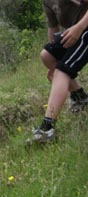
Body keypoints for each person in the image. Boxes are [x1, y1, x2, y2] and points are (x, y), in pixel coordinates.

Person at [31, 0, 88, 143]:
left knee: (62, 71)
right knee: (46, 55)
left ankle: (47, 127)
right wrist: (54, 59)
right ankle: (80, 98)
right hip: (77, 31)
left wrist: (79, 27)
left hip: (85, 28)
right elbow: (53, 28)